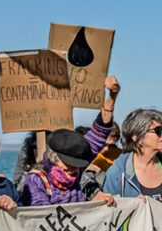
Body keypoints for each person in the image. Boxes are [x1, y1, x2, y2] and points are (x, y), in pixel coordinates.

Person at [19, 75, 119, 206]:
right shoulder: (37, 180)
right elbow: (40, 214)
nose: (73, 168)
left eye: (77, 163)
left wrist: (112, 96)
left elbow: (101, 130)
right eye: (68, 162)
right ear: (53, 157)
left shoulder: (78, 170)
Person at [102, 107, 162, 202]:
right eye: (158, 130)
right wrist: (131, 209)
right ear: (136, 136)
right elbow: (109, 213)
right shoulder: (117, 174)